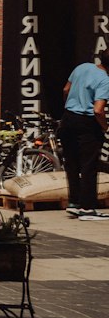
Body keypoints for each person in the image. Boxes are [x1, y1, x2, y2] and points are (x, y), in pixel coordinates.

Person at [60, 56, 109, 220]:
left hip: (68, 119)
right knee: (89, 166)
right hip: (87, 123)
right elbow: (98, 110)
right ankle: (88, 209)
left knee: (72, 163)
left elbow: (66, 90)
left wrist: (69, 108)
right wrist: (105, 127)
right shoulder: (105, 80)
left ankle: (74, 203)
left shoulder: (82, 67)